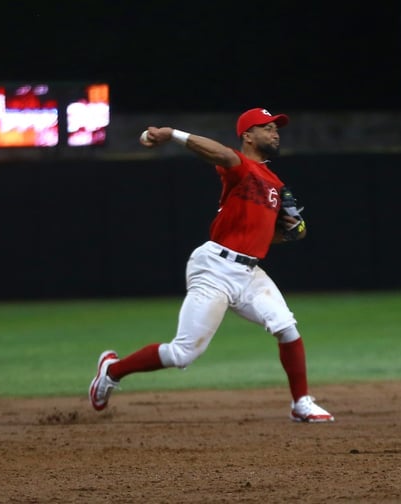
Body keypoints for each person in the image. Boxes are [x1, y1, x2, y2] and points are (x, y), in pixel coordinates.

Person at [89, 108, 333, 422]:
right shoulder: (240, 166)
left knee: (286, 328)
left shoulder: (274, 182)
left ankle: (301, 404)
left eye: (276, 128)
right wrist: (172, 133)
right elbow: (218, 152)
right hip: (215, 269)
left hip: (249, 272)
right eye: (267, 128)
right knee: (183, 354)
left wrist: (290, 234)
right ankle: (112, 370)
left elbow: (262, 236)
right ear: (247, 135)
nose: (276, 133)